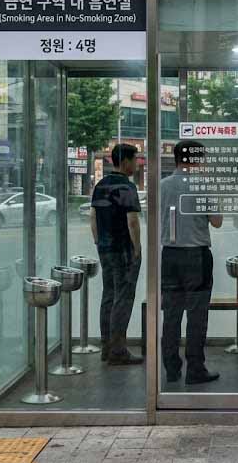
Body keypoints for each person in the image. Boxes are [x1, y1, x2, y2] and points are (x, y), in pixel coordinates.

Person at [160, 140, 222, 384]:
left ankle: (171, 368)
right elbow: (216, 221)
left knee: (171, 314)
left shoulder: (162, 186)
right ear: (196, 159)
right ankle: (195, 369)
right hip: (196, 256)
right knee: (197, 315)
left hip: (169, 255)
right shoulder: (204, 185)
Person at [90, 143, 144, 365]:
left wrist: (98, 241)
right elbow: (132, 221)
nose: (137, 163)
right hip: (123, 250)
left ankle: (106, 347)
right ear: (125, 161)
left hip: (105, 249)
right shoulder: (126, 187)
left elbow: (92, 216)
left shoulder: (101, 185)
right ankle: (118, 351)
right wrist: (137, 248)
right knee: (123, 298)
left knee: (109, 295)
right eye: (135, 159)